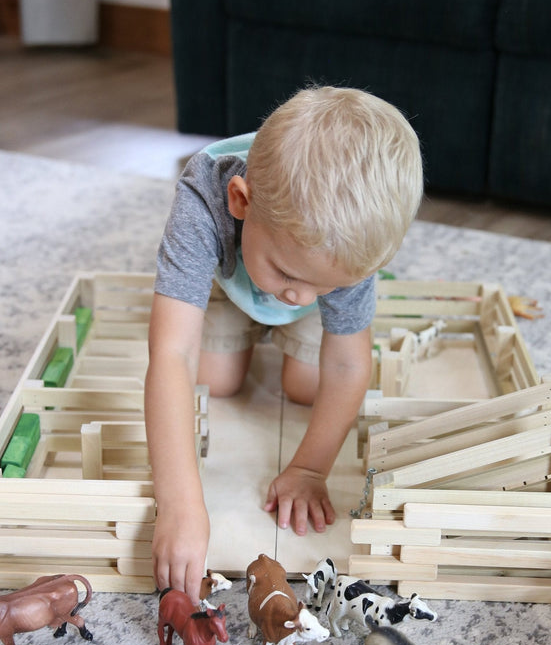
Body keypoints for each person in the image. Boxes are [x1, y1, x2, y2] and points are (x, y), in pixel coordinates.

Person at [144, 85, 423, 606]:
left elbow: (346, 365)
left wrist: (310, 468)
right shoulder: (202, 197)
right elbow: (171, 354)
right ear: (241, 201)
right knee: (216, 380)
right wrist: (179, 502)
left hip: (293, 272)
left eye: (329, 285)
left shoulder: (341, 255)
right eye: (290, 274)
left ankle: (292, 297)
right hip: (230, 281)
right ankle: (260, 306)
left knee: (305, 387)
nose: (301, 296)